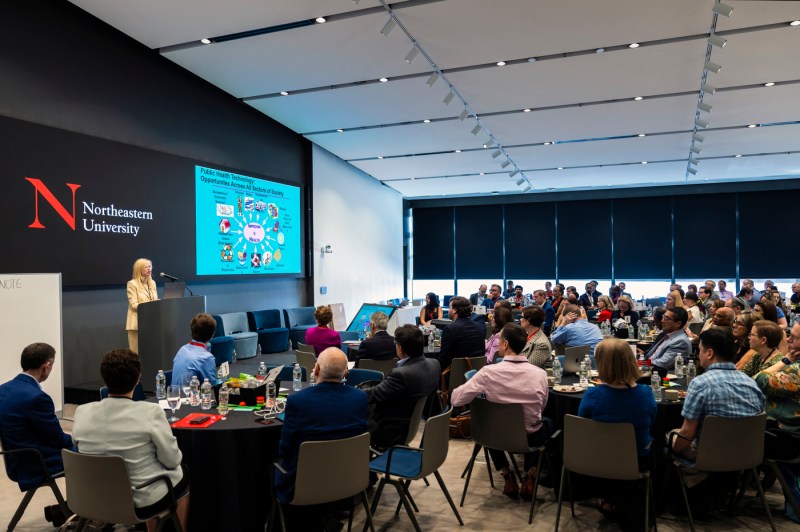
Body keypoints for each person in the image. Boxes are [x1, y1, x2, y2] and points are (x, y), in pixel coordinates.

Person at [72, 349, 189, 531]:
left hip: (92, 499)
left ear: (104, 379)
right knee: (182, 474)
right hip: (140, 502)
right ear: (138, 378)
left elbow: (79, 447)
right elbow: (172, 460)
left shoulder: (82, 412)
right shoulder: (151, 412)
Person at [451, 323, 550, 501]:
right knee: (546, 423)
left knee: (488, 423)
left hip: (495, 437)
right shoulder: (540, 374)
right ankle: (530, 473)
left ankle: (507, 474)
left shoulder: (488, 373)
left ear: (505, 344)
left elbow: (456, 400)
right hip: (529, 436)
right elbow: (541, 408)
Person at [578, 338, 657, 528]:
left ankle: (608, 498)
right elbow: (651, 422)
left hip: (595, 459)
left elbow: (582, 425)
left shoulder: (592, 395)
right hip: (636, 459)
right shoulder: (646, 393)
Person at [275, 348, 368, 505]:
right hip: (349, 479)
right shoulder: (360, 397)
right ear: (345, 373)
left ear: (316, 369)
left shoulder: (298, 401)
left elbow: (285, 449)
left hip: (303, 484)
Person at [0, 343, 75, 527]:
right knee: (93, 454)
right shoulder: (36, 397)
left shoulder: (3, 390)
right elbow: (58, 440)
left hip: (16, 459)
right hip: (38, 462)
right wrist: (78, 439)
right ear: (47, 366)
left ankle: (68, 510)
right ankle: (88, 510)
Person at [671, 328, 765, 460]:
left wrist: (672, 451)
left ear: (709, 353)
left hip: (709, 455)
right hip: (747, 454)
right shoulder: (751, 383)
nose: (698, 355)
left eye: (699, 350)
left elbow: (687, 433)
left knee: (670, 437)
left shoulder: (700, 383)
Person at [367, 325, 440, 449]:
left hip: (390, 432)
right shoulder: (434, 364)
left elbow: (373, 395)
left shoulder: (401, 374)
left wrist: (351, 392)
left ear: (400, 348)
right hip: (410, 426)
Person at [755, 323, 800, 442]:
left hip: (783, 436)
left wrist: (785, 360)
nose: (787, 339)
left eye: (794, 338)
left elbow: (758, 380)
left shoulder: (796, 372)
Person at [437, 296, 485, 370]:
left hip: (455, 374)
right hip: (478, 372)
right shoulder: (479, 327)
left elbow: (443, 359)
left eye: (450, 307)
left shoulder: (450, 329)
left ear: (455, 310)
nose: (449, 310)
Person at [171, 312, 218, 387]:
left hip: (174, 396)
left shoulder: (182, 349)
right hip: (191, 397)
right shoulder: (206, 357)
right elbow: (212, 386)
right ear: (212, 334)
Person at [641, 307, 691, 372]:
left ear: (678, 324)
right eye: (663, 317)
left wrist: (641, 363)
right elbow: (651, 356)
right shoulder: (668, 335)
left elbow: (663, 363)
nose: (662, 321)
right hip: (648, 368)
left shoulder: (680, 341)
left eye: (666, 319)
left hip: (659, 376)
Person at [126, 257, 158, 352]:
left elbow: (154, 300)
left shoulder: (152, 283)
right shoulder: (132, 284)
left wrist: (158, 303)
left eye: (150, 266)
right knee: (135, 353)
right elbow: (134, 305)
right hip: (136, 324)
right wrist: (150, 304)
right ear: (139, 269)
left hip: (150, 323)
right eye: (146, 267)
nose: (149, 269)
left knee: (150, 352)